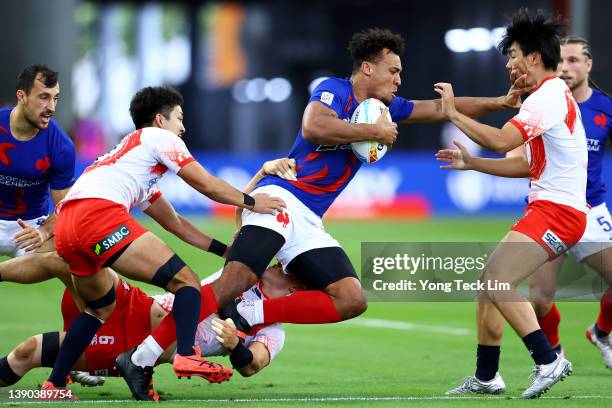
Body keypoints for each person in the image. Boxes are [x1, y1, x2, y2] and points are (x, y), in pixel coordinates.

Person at [123, 27, 534, 392]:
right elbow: (313, 127)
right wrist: (373, 131)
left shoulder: (387, 108)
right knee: (234, 280)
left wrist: (502, 101)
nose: (399, 79)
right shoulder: (334, 90)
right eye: (393, 71)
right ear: (368, 69)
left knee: (351, 298)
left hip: (308, 222)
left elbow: (437, 108)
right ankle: (140, 357)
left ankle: (255, 311)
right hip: (278, 200)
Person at [39, 86, 286, 399]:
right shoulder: (159, 138)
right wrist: (252, 202)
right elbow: (206, 184)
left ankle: (53, 385)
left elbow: (176, 223)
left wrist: (222, 249)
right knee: (187, 284)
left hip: (67, 227)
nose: (182, 128)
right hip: (97, 217)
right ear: (159, 119)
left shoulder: (130, 160)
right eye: (179, 119)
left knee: (98, 310)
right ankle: (185, 354)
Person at [434, 8, 587, 398]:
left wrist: (452, 112)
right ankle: (487, 377)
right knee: (490, 284)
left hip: (559, 212)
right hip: (549, 208)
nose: (510, 62)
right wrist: (471, 163)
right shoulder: (545, 98)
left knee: (495, 279)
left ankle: (549, 360)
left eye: (514, 53)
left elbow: (502, 141)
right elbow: (523, 164)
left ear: (535, 57)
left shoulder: (550, 95)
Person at [0, 264, 299, 401]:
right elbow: (243, 227)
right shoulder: (239, 277)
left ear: (292, 288)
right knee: (74, 259)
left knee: (26, 353)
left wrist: (235, 345)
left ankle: (59, 377)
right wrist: (262, 171)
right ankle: (61, 376)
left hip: (135, 345)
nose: (276, 263)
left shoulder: (273, 330)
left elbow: (253, 364)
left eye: (283, 268)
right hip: (136, 304)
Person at [527, 36, 612, 367]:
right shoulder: (542, 103)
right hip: (550, 209)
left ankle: (601, 331)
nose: (565, 67)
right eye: (560, 60)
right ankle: (555, 354)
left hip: (592, 209)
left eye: (574, 60)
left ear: (589, 65)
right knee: (540, 297)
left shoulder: (605, 108)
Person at [0, 64, 74, 258]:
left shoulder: (61, 145)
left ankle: (123, 290)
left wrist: (44, 232)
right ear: (21, 96)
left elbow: (65, 207)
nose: (51, 107)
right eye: (44, 97)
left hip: (32, 228)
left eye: (55, 98)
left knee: (75, 258)